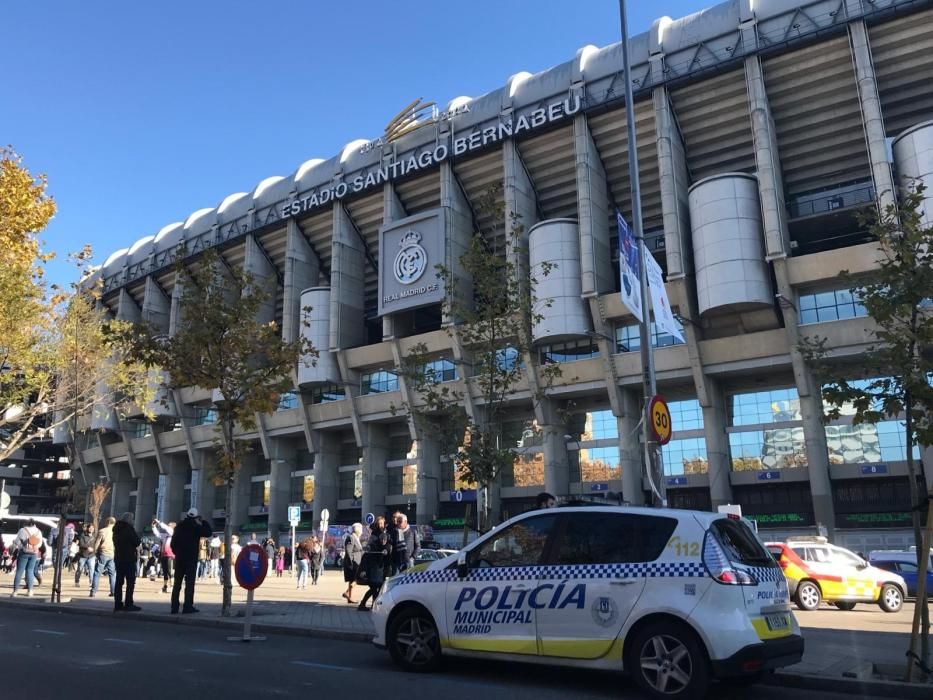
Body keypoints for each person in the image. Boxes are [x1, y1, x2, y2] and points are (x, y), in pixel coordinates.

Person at [169, 508, 212, 614]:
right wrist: (203, 521)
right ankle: (187, 606)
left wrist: (177, 553)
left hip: (179, 558)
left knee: (177, 583)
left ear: (187, 515)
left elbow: (172, 543)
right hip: (191, 558)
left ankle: (174, 607)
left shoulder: (179, 526)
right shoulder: (196, 527)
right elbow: (208, 533)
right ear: (196, 517)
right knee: (190, 583)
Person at [358, 516, 389, 611]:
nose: (381, 525)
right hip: (374, 565)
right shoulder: (375, 535)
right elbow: (371, 548)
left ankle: (370, 605)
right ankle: (367, 605)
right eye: (379, 523)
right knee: (375, 586)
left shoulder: (382, 533)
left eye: (382, 523)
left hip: (378, 565)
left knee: (376, 587)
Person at [112, 512, 142, 612]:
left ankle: (117, 603)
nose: (133, 521)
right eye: (132, 519)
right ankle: (128, 603)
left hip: (118, 557)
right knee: (130, 582)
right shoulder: (129, 529)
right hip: (128, 558)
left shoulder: (116, 529)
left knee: (119, 581)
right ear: (129, 520)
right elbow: (137, 541)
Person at [10, 518, 44, 597]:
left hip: (23, 552)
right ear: (34, 524)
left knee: (19, 571)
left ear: (26, 523)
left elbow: (18, 542)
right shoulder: (38, 531)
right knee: (30, 571)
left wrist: (21, 545)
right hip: (34, 553)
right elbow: (40, 544)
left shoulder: (22, 530)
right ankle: (30, 591)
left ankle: (15, 591)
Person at [90, 517, 117, 598]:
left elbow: (97, 543)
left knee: (97, 573)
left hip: (103, 553)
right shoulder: (117, 532)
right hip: (112, 554)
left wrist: (95, 551)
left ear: (108, 522)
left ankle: (93, 591)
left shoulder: (102, 531)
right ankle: (113, 591)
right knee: (112, 574)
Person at [151, 518, 175, 593]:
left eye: (169, 525)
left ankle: (172, 586)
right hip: (164, 555)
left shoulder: (173, 533)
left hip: (170, 555)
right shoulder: (165, 535)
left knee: (170, 571)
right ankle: (165, 586)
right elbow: (157, 534)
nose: (168, 526)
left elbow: (166, 528)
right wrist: (153, 527)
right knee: (165, 571)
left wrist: (158, 522)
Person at [342, 523, 363, 604]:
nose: (362, 532)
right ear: (358, 530)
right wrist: (351, 563)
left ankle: (348, 596)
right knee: (356, 579)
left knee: (353, 580)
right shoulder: (351, 538)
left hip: (357, 562)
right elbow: (348, 551)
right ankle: (348, 595)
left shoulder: (356, 538)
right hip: (353, 563)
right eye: (361, 530)